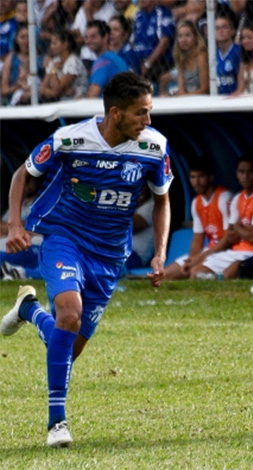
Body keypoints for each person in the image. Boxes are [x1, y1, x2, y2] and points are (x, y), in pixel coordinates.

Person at [1, 72, 172, 447]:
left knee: (66, 346)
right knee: (69, 314)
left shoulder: (154, 148)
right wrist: (16, 225)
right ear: (116, 113)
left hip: (110, 254)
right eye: (141, 114)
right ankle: (56, 424)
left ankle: (29, 310)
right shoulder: (71, 139)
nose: (148, 122)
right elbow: (23, 174)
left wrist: (160, 254)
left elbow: (162, 200)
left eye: (150, 112)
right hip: (65, 238)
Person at [189, 158, 253, 280]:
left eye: (250, 172)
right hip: (236, 250)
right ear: (237, 174)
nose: (245, 176)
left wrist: (238, 226)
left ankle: (220, 288)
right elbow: (231, 236)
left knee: (230, 274)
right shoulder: (238, 198)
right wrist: (245, 230)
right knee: (196, 272)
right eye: (241, 172)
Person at [163, 160, 232, 280]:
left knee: (196, 274)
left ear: (210, 178)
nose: (196, 182)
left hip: (227, 251)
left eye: (200, 177)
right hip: (211, 251)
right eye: (193, 177)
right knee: (165, 275)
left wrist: (200, 258)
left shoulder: (224, 198)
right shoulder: (196, 202)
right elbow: (198, 238)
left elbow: (229, 238)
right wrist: (192, 258)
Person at [160, 19, 209, 96]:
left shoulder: (201, 55)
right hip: (187, 98)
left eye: (187, 35)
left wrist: (183, 97)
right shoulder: (180, 56)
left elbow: (204, 88)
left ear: (195, 37)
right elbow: (181, 89)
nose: (184, 40)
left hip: (201, 98)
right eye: (180, 36)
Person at [39, 29, 88, 102]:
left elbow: (57, 90)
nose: (51, 46)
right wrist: (55, 92)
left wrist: (54, 71)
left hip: (76, 102)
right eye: (51, 43)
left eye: (54, 43)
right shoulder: (54, 61)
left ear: (65, 45)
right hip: (60, 101)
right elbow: (42, 89)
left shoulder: (73, 62)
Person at [85, 20, 129, 98]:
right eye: (87, 37)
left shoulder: (103, 62)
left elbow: (92, 95)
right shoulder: (117, 58)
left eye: (93, 37)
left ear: (105, 37)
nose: (89, 41)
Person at [214, 13, 240, 95]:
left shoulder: (238, 52)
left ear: (232, 31)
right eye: (217, 28)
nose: (220, 31)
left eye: (224, 27)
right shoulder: (214, 54)